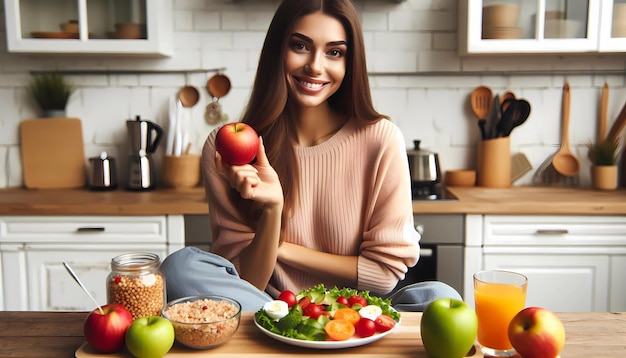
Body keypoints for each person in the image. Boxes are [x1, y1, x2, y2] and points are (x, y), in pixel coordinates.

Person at [161, 0, 461, 312]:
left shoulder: (380, 139)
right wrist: (272, 210)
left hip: (357, 315)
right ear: (278, 50)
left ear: (350, 62)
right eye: (301, 46)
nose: (315, 66)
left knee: (442, 297)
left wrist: (282, 246)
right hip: (271, 313)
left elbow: (383, 277)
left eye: (334, 52)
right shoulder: (226, 148)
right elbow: (244, 283)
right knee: (180, 268)